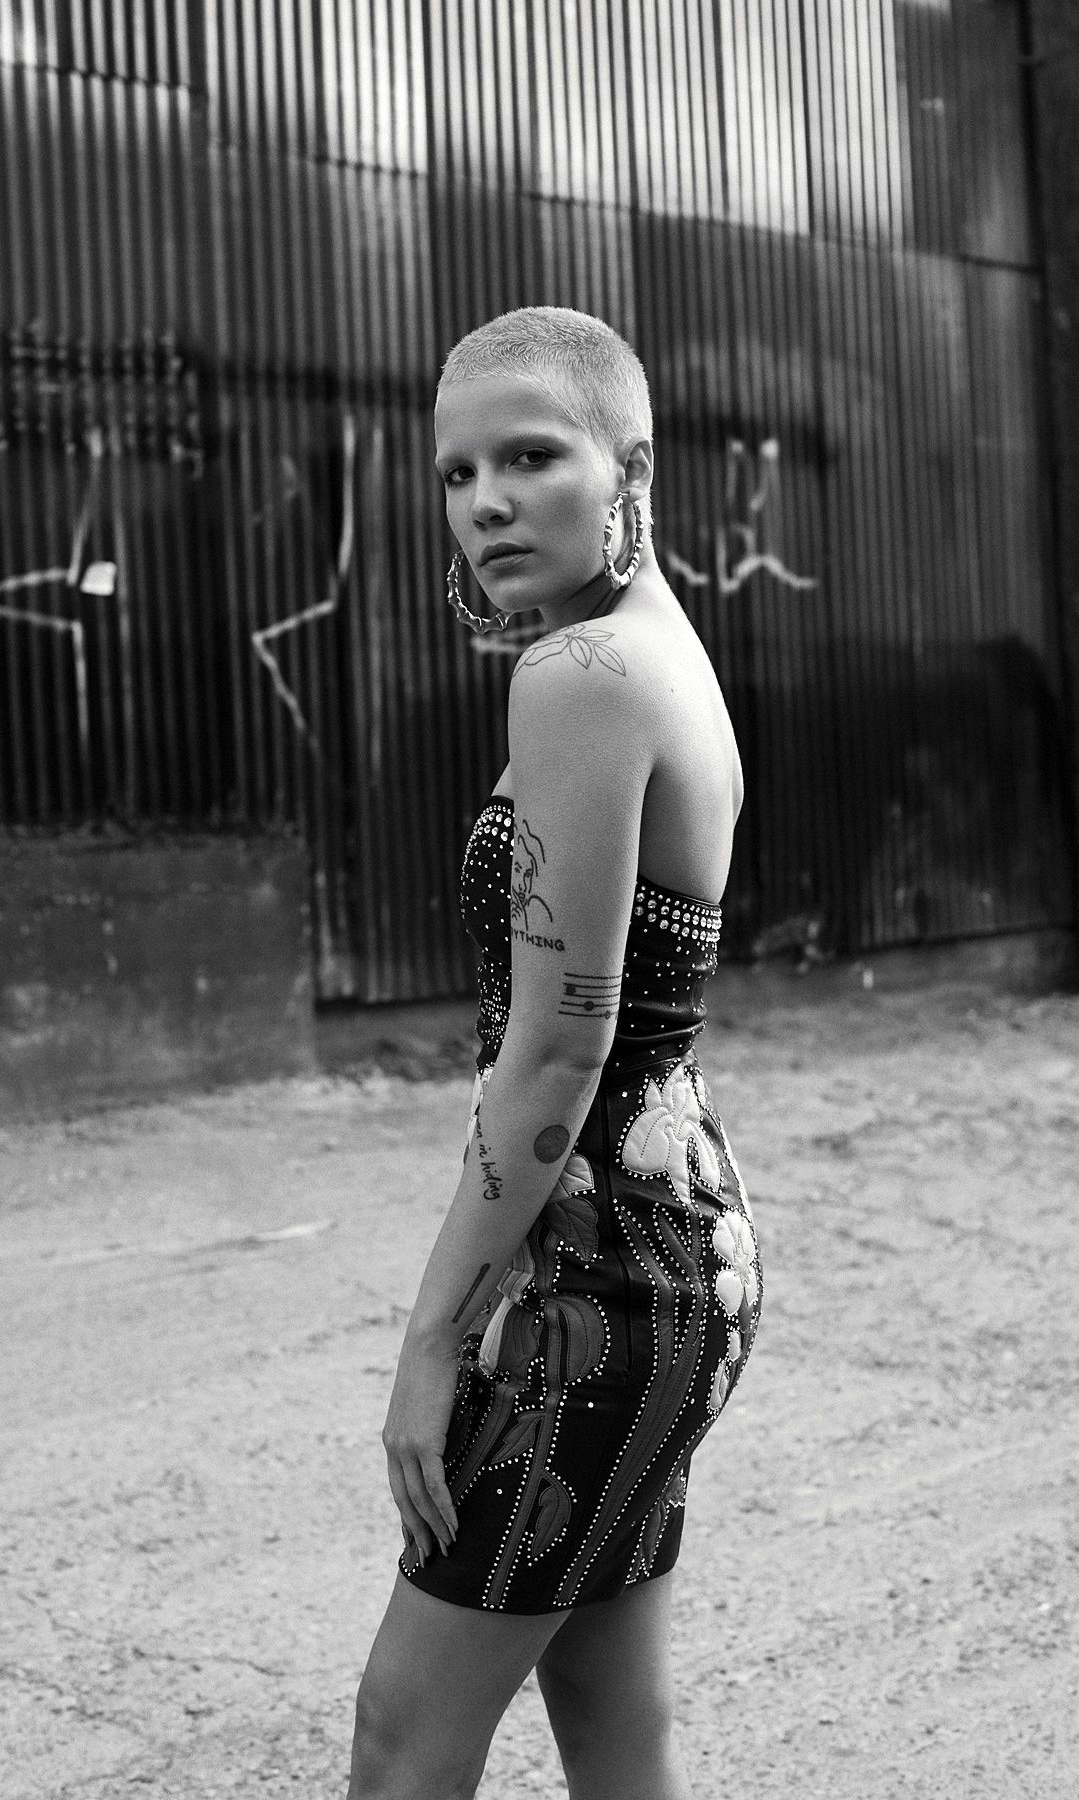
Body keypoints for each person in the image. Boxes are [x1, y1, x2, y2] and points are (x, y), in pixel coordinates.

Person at [346, 307, 762, 1800]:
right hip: (680, 1261)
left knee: (405, 1734)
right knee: (612, 1719)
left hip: (595, 1293)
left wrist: (430, 1346)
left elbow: (557, 1055)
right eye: (459, 474)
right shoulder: (658, 649)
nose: (487, 503)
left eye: (531, 458)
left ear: (629, 468)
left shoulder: (580, 673)